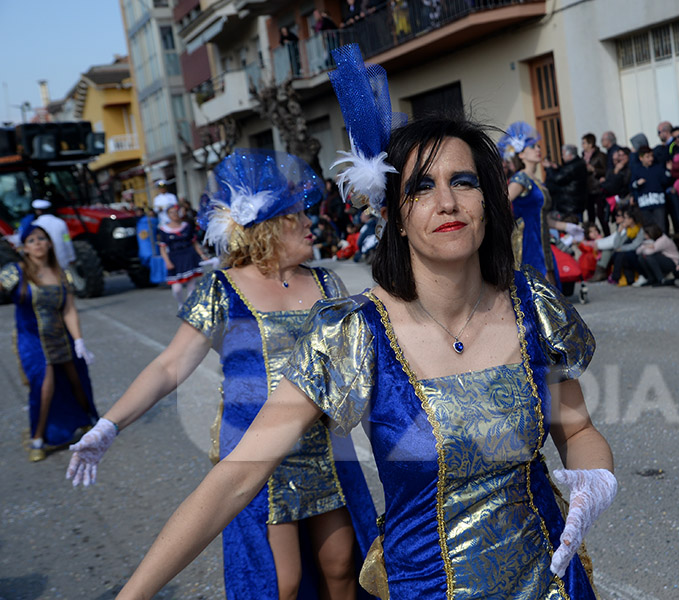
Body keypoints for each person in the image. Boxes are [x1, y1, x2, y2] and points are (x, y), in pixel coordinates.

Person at [112, 115, 616, 598]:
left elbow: (576, 431)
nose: (446, 202)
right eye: (420, 187)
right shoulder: (355, 332)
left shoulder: (532, 306)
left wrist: (595, 479)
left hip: (552, 585)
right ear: (395, 216)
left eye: (463, 182)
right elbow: (237, 477)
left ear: (487, 199)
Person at [67, 149, 377, 599]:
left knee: (343, 565)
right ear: (270, 227)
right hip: (260, 459)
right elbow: (169, 365)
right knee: (283, 584)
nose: (312, 222)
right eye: (298, 215)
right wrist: (108, 425)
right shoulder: (221, 290)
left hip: (326, 452)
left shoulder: (328, 283)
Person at [0, 224, 97, 462]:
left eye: (42, 239)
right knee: (44, 386)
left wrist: (79, 341)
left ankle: (88, 422)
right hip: (31, 339)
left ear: (50, 243)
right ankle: (38, 438)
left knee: (77, 381)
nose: (38, 244)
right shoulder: (15, 272)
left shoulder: (62, 273)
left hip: (61, 337)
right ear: (24, 247)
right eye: (32, 240)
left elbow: (69, 310)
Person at [501, 121, 559, 286]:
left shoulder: (537, 181)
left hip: (543, 241)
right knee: (540, 292)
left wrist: (566, 227)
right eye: (533, 147)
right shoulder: (521, 179)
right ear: (521, 154)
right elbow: (500, 203)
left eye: (538, 147)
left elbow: (542, 217)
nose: (538, 150)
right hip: (528, 242)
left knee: (551, 293)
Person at [157, 203, 208, 308]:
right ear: (168, 215)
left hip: (189, 255)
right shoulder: (164, 230)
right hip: (175, 258)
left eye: (176, 212)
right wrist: (167, 262)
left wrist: (202, 255)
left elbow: (194, 243)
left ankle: (189, 306)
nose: (174, 214)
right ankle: (181, 303)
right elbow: (162, 248)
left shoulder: (186, 226)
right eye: (171, 212)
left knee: (191, 284)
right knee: (177, 288)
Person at [19, 199, 76, 269]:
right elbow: (67, 240)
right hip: (63, 261)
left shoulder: (35, 225)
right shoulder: (61, 222)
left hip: (47, 264)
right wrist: (71, 257)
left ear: (38, 211)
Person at [630, 145, 670, 232]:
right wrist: (637, 183)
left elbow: (666, 181)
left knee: (661, 226)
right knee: (648, 227)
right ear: (641, 158)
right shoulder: (636, 170)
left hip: (658, 202)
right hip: (644, 204)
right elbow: (632, 185)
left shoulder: (658, 168)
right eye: (647, 157)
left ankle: (663, 243)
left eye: (651, 156)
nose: (650, 159)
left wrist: (668, 171)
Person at [543, 144, 588, 222]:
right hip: (573, 204)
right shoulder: (577, 163)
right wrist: (557, 168)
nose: (562, 157)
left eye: (563, 154)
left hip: (570, 206)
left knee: (573, 228)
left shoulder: (573, 166)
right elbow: (566, 175)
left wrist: (549, 168)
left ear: (570, 155)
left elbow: (558, 179)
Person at [581, 133, 607, 231]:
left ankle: (606, 233)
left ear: (590, 144)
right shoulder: (583, 157)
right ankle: (593, 235)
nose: (582, 145)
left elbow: (606, 171)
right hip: (588, 190)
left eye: (584, 143)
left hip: (598, 188)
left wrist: (594, 170)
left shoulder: (600, 156)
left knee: (601, 215)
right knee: (590, 215)